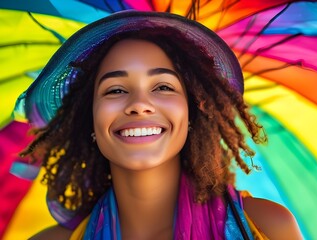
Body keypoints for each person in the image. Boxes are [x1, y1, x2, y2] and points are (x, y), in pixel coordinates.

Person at [18, 10, 301, 239]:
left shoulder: (267, 227)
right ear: (89, 119)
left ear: (192, 112)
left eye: (163, 86)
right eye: (115, 90)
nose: (139, 104)